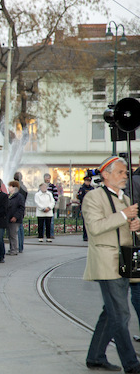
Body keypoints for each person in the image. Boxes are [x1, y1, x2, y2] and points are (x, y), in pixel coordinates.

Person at [83, 156, 140, 373]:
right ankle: (132, 365)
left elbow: (128, 228)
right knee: (120, 314)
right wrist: (124, 215)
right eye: (120, 172)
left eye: (126, 172)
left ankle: (95, 357)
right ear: (106, 174)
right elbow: (95, 228)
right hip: (107, 262)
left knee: (111, 312)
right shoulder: (93, 197)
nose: (125, 175)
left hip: (125, 261)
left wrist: (136, 225)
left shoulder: (124, 198)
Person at [6, 181, 25, 255]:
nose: (8, 188)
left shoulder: (19, 196)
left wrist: (15, 216)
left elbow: (21, 208)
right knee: (10, 234)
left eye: (10, 186)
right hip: (8, 218)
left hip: (15, 219)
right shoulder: (9, 196)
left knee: (13, 234)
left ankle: (14, 249)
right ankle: (12, 248)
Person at [77, 175, 94, 242]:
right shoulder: (82, 188)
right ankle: (85, 236)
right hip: (85, 206)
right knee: (85, 222)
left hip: (91, 206)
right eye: (87, 181)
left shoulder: (92, 188)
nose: (88, 182)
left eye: (89, 181)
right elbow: (80, 196)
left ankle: (90, 235)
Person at [13, 172, 27, 253]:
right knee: (20, 228)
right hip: (22, 209)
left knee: (16, 229)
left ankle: (18, 247)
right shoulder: (24, 187)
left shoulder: (16, 187)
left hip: (16, 209)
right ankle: (21, 246)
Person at [44, 173, 58, 239]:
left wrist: (52, 205)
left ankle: (51, 234)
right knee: (43, 221)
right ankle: (43, 234)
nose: (47, 179)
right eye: (46, 178)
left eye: (48, 178)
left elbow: (56, 196)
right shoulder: (42, 186)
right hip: (43, 206)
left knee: (51, 222)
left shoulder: (53, 186)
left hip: (50, 207)